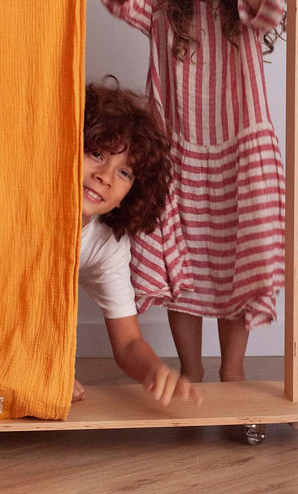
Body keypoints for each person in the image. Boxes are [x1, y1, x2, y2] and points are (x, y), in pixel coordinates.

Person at [97, 0, 298, 384]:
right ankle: (190, 369)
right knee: (180, 273)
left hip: (241, 157)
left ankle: (232, 372)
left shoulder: (246, 6)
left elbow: (270, 3)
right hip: (178, 159)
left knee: (241, 265)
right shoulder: (166, 8)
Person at [74, 81, 201, 406]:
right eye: (97, 153)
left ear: (132, 195)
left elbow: (128, 342)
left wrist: (155, 371)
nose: (105, 175)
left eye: (125, 173)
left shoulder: (107, 244)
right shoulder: (23, 214)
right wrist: (40, 368)